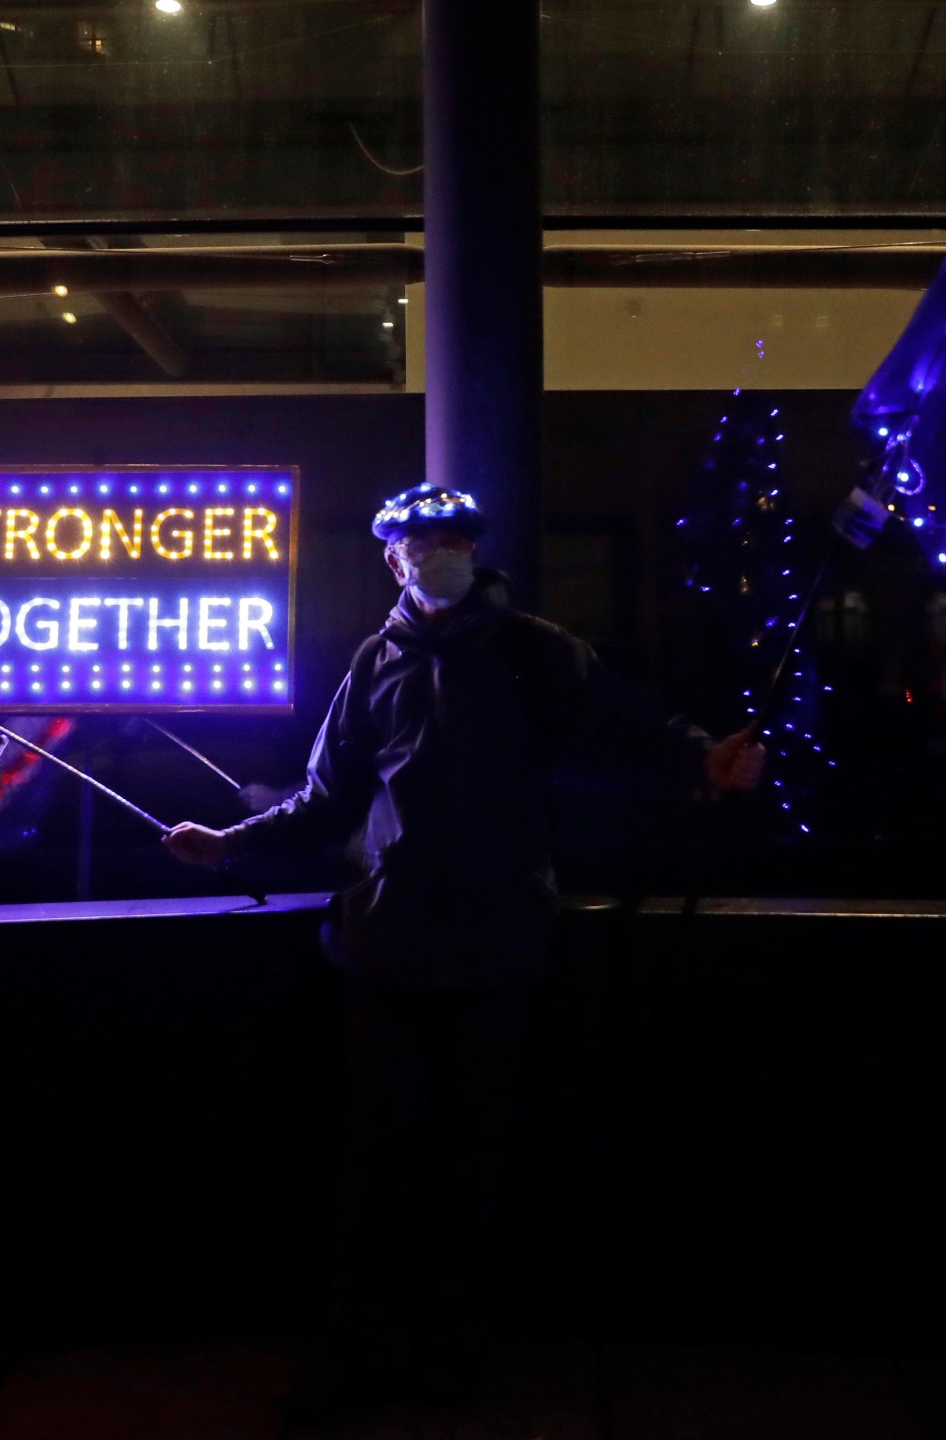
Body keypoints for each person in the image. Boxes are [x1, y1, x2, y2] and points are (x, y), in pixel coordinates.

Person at [162, 482, 764, 1414]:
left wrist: (700, 757)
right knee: (380, 1152)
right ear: (392, 558)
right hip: (386, 944)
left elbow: (628, 723)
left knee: (473, 1151)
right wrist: (228, 845)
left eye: (449, 537)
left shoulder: (535, 651)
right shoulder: (374, 665)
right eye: (418, 541)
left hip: (495, 944)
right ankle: (365, 1336)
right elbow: (325, 800)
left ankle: (450, 1341)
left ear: (474, 550)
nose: (434, 552)